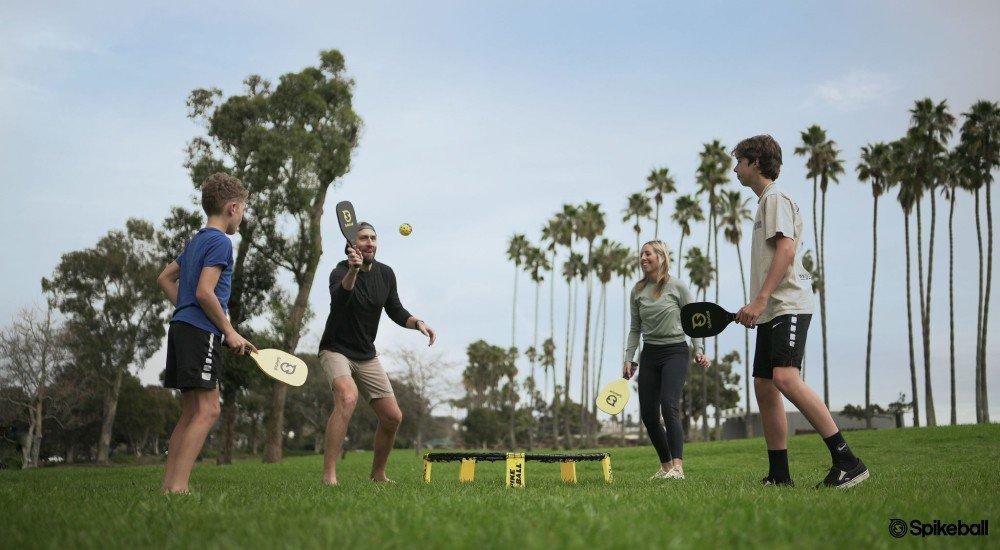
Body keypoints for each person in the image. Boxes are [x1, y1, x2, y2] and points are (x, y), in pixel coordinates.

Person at [732, 134, 869, 489]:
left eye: (739, 162)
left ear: (755, 163)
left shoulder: (775, 198)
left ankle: (847, 461)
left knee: (785, 378)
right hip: (771, 309)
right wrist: (758, 305)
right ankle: (780, 475)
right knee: (764, 383)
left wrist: (761, 300)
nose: (735, 169)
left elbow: (786, 252)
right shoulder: (764, 203)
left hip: (786, 306)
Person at [157, 172, 257, 494]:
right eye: (242, 209)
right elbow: (204, 292)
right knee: (209, 409)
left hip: (182, 327)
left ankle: (169, 487)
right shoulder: (221, 242)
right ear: (231, 208)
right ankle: (179, 488)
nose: (241, 216)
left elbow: (164, 279)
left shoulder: (196, 241)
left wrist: (185, 309)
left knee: (190, 413)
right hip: (200, 331)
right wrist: (228, 331)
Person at [318, 222, 436, 485]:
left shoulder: (386, 274)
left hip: (366, 354)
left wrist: (418, 323)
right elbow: (341, 301)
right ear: (352, 245)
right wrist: (354, 271)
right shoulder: (339, 273)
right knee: (348, 398)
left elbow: (394, 309)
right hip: (336, 349)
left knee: (393, 417)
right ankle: (329, 475)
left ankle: (378, 474)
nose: (369, 242)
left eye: (373, 237)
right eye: (363, 238)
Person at [624, 240, 709, 480]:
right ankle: (665, 467)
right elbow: (635, 328)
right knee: (649, 415)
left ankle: (678, 468)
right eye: (641, 254)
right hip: (649, 353)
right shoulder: (637, 291)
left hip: (675, 352)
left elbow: (695, 321)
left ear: (661, 257)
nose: (643, 258)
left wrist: (699, 350)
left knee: (668, 404)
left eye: (648, 253)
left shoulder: (677, 287)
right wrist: (629, 358)